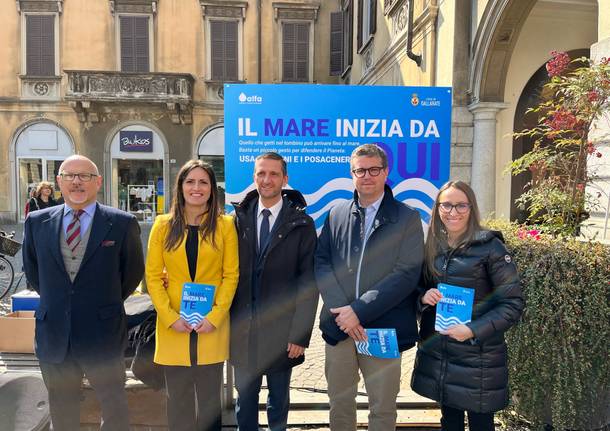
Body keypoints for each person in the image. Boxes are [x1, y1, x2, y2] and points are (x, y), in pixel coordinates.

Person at [22, 155, 145, 431]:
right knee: (62, 408)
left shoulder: (122, 223)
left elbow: (132, 273)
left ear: (98, 182)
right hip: (55, 333)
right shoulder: (36, 222)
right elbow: (33, 271)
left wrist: (101, 302)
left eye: (85, 176)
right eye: (69, 175)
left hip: (103, 331)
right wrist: (63, 300)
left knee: (113, 407)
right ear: (58, 182)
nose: (77, 182)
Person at [315, 144, 424, 430]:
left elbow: (406, 273)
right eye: (360, 170)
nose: (367, 176)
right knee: (339, 404)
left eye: (374, 169)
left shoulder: (407, 217)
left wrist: (359, 311)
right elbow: (322, 263)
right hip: (339, 328)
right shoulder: (336, 214)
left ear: (386, 172)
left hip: (383, 329)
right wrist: (343, 311)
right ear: (352, 174)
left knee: (383, 407)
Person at [410, 180, 524, 431]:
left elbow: (512, 303)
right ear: (438, 209)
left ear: (471, 208)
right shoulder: (433, 247)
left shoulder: (491, 247)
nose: (453, 212)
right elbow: (418, 289)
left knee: (481, 424)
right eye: (447, 205)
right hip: (442, 355)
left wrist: (473, 330)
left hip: (478, 359)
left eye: (461, 205)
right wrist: (423, 297)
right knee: (449, 422)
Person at [146, 159, 239, 431]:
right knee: (178, 403)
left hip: (211, 326)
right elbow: (151, 276)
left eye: (203, 182)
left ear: (212, 188)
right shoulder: (162, 225)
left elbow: (231, 275)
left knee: (211, 405)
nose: (196, 188)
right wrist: (169, 317)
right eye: (190, 181)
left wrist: (216, 316)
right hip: (174, 326)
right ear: (180, 187)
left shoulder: (225, 226)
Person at [230, 152, 318, 431]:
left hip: (282, 332)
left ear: (285, 179)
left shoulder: (302, 225)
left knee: (278, 401)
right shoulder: (236, 220)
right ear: (254, 177)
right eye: (261, 174)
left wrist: (300, 335)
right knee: (244, 400)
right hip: (242, 330)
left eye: (273, 174)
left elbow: (308, 284)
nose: (266, 180)